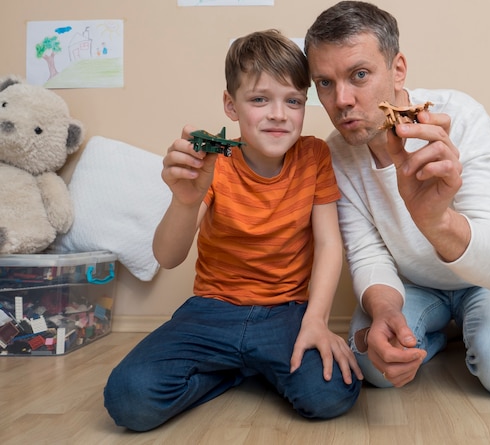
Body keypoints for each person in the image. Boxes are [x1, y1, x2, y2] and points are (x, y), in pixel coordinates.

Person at [104, 29, 362, 432]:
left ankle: (252, 363)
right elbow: (168, 257)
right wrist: (185, 201)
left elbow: (330, 244)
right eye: (260, 99)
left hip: (286, 313)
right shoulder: (212, 161)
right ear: (231, 105)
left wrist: (316, 321)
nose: (278, 114)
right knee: (129, 400)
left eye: (293, 101)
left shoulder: (314, 155)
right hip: (211, 311)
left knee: (331, 394)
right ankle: (238, 369)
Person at [304, 1, 490, 396]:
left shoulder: (461, 117)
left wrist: (437, 220)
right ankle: (439, 338)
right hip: (413, 283)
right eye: (325, 83)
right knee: (372, 363)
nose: (342, 100)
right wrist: (384, 311)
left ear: (397, 69)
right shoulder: (336, 155)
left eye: (359, 75)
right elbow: (367, 254)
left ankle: (476, 331)